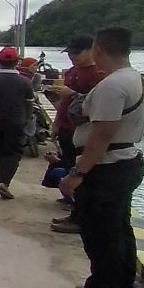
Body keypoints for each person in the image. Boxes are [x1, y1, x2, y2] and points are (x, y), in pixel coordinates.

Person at [56, 27, 144, 288]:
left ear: (99, 50)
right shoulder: (138, 80)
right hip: (126, 161)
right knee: (119, 229)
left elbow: (102, 133)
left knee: (101, 234)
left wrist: (78, 172)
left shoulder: (113, 85)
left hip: (106, 165)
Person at [44, 35, 105, 234]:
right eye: (70, 53)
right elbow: (64, 103)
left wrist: (70, 94)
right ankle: (74, 210)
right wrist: (56, 124)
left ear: (92, 50)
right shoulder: (72, 72)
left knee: (81, 174)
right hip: (67, 129)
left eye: (76, 53)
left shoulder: (99, 75)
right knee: (69, 166)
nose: (72, 57)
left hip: (84, 132)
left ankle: (80, 217)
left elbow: (97, 105)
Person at [0, 47, 34, 200]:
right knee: (12, 152)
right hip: (16, 121)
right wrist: (27, 119)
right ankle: (4, 181)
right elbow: (29, 104)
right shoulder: (25, 82)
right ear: (17, 62)